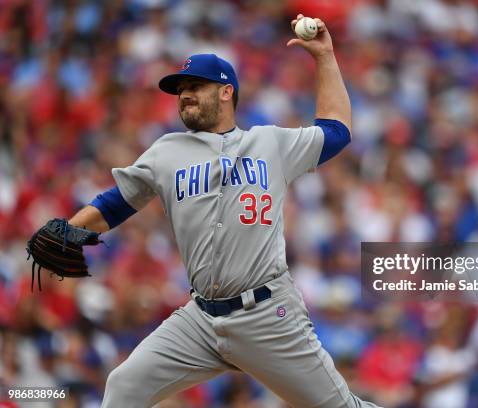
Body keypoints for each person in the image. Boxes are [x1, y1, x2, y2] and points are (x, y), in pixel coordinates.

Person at [61, 14, 379, 408]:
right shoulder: (167, 151)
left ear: (226, 92)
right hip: (200, 320)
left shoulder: (270, 143)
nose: (185, 95)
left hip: (267, 315)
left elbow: (336, 131)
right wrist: (65, 235)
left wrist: (325, 58)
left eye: (196, 86)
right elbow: (116, 203)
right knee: (123, 386)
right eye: (180, 90)